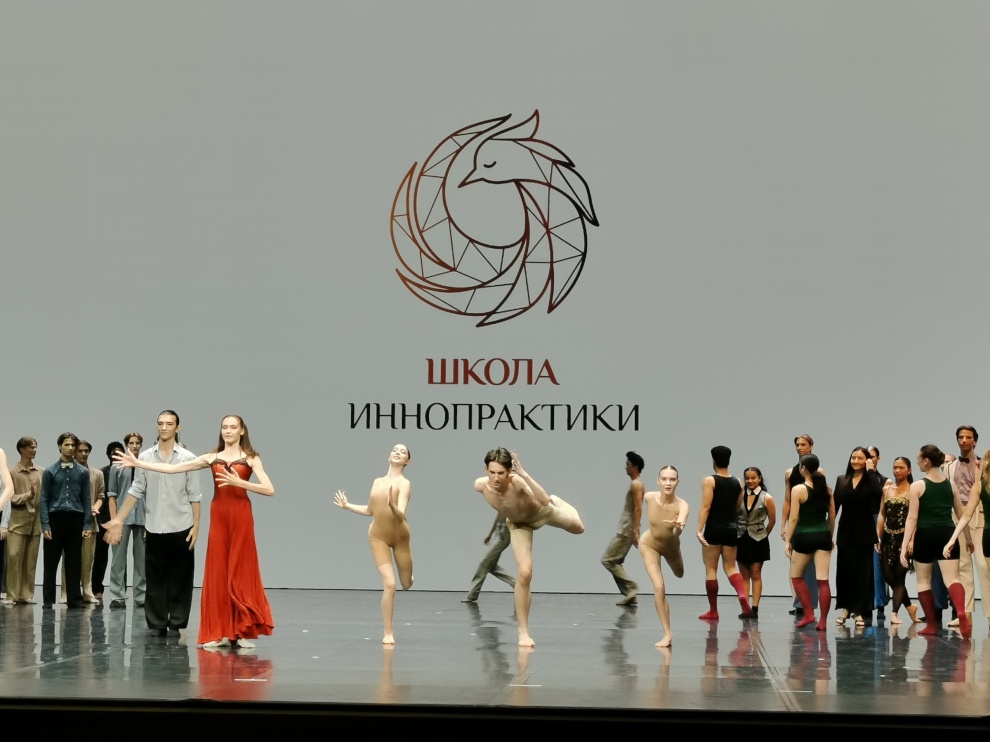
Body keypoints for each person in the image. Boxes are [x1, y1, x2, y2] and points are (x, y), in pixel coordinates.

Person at [113, 414, 274, 648]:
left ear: (242, 431)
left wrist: (241, 483)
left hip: (241, 515)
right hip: (219, 514)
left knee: (240, 569)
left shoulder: (251, 458)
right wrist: (139, 464)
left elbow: (269, 489)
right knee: (218, 571)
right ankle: (220, 632)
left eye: (233, 427)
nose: (228, 431)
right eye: (225, 427)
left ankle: (242, 631)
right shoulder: (211, 457)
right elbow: (172, 469)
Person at [471, 448, 585, 647]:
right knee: (525, 573)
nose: (496, 478)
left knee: (579, 528)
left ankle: (561, 502)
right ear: (485, 469)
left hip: (542, 513)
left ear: (509, 472)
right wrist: (491, 532)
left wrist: (524, 474)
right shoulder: (481, 486)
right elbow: (503, 509)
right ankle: (523, 632)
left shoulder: (516, 481)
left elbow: (543, 500)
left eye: (501, 473)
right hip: (518, 525)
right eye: (492, 472)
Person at [104, 411, 202, 636]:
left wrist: (197, 526)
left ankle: (176, 622)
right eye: (160, 423)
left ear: (178, 428)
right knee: (155, 576)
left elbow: (195, 495)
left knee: (181, 577)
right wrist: (118, 519)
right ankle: (157, 623)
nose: (164, 427)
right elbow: (136, 489)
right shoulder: (146, 457)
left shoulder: (188, 457)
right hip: (155, 524)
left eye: (169, 424)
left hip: (182, 524)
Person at [334, 444, 413, 644]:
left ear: (407, 461)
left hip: (400, 537)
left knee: (405, 584)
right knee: (390, 585)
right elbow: (370, 511)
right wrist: (347, 506)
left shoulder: (404, 483)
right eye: (395, 450)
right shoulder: (377, 482)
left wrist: (392, 505)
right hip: (378, 536)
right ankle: (388, 632)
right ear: (389, 456)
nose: (398, 452)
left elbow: (401, 515)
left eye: (403, 452)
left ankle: (409, 577)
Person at [899, 444, 970, 638]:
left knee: (923, 581)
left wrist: (904, 546)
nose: (917, 463)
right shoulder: (950, 484)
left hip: (925, 535)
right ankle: (961, 611)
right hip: (947, 533)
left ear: (926, 461)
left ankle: (931, 624)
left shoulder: (917, 486)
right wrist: (968, 539)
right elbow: (960, 514)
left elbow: (912, 518)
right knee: (953, 578)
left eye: (918, 459)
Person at [696, 445, 753, 620]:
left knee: (711, 570)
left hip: (714, 529)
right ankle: (742, 595)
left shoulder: (709, 481)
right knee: (730, 567)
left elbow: (706, 506)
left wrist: (699, 529)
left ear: (713, 461)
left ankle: (713, 610)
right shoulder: (738, 482)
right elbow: (738, 506)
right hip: (731, 529)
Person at [942, 426, 989, 630]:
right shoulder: (949, 467)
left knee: (983, 566)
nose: (964, 440)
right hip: (957, 514)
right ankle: (966, 614)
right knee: (962, 567)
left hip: (978, 514)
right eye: (960, 437)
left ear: (975, 441)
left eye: (968, 437)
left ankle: (989, 614)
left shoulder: (982, 465)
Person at [39, 433, 93, 609]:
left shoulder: (83, 472)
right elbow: (44, 499)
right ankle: (48, 600)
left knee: (74, 561)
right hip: (55, 518)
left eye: (73, 445)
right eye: (67, 444)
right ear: (59, 446)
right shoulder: (50, 471)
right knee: (50, 561)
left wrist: (87, 523)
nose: (70, 448)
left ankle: (74, 599)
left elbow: (86, 499)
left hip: (75, 518)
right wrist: (45, 524)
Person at [783, 453, 834, 631]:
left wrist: (788, 540)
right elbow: (832, 515)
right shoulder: (827, 490)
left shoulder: (798, 489)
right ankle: (823, 621)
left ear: (803, 469)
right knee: (823, 580)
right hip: (823, 535)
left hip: (804, 536)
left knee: (796, 576)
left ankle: (808, 613)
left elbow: (794, 518)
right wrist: (830, 536)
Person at [639, 465, 689, 648]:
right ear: (658, 481)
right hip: (649, 544)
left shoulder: (682, 505)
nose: (668, 483)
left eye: (672, 479)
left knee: (679, 573)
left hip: (671, 548)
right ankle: (667, 633)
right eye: (664, 479)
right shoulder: (649, 497)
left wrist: (678, 526)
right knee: (659, 586)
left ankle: (667, 633)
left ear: (678, 482)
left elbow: (679, 527)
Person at [833, 447, 882, 627]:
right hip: (845, 531)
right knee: (845, 571)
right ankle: (846, 608)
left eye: (859, 458)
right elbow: (834, 507)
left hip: (864, 532)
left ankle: (859, 611)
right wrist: (829, 532)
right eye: (853, 457)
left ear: (866, 460)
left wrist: (870, 471)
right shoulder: (842, 480)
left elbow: (877, 496)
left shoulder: (871, 480)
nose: (855, 461)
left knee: (863, 573)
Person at [106, 433, 146, 610]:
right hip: (122, 518)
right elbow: (112, 496)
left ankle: (141, 596)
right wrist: (114, 521)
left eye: (138, 443)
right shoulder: (117, 467)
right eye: (132, 443)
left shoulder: (145, 466)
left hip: (142, 517)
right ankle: (117, 595)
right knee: (118, 559)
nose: (135, 446)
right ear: (126, 445)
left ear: (141, 445)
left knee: (141, 560)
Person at [61, 439, 104, 604]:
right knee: (69, 559)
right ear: (74, 452)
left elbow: (101, 496)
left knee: (87, 559)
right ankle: (65, 592)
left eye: (86, 451)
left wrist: (95, 507)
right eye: (80, 451)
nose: (83, 453)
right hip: (71, 520)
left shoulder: (97, 474)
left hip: (89, 520)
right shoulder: (66, 472)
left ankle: (87, 591)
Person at [876, 456, 918, 625]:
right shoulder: (886, 489)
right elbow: (882, 515)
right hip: (888, 537)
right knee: (887, 575)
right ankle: (909, 606)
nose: (897, 470)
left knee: (899, 577)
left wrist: (911, 540)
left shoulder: (913, 490)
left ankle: (894, 613)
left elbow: (915, 518)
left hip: (904, 538)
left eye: (901, 467)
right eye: (895, 467)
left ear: (909, 470)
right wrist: (878, 538)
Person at [783, 435, 822, 616]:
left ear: (811, 446)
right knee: (795, 563)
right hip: (796, 521)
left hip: (811, 522)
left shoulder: (819, 473)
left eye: (803, 444)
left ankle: (809, 604)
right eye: (797, 445)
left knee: (811, 565)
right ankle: (800, 602)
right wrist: (783, 524)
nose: (799, 447)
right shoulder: (790, 473)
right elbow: (787, 500)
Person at [601, 451, 645, 606]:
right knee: (615, 561)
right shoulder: (636, 484)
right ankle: (629, 594)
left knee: (608, 560)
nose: (626, 467)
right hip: (627, 528)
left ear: (635, 467)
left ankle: (631, 588)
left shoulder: (636, 484)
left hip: (626, 529)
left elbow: (638, 509)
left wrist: (635, 531)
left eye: (628, 464)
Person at [736, 466, 775, 618]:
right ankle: (745, 607)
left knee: (756, 573)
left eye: (753, 478)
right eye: (747, 478)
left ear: (759, 479)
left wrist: (763, 535)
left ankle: (755, 607)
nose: (750, 481)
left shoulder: (766, 497)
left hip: (758, 539)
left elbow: (772, 520)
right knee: (744, 575)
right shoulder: (739, 496)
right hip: (741, 537)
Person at [3, 438, 39, 605]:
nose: (34, 450)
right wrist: (29, 495)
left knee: (30, 561)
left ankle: (26, 594)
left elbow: (43, 498)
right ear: (22, 449)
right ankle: (12, 595)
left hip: (35, 522)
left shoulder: (40, 472)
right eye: (31, 447)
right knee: (14, 558)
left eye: (35, 447)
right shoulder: (12, 472)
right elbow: (11, 498)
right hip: (17, 522)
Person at [92, 441, 124, 601]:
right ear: (108, 455)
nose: (116, 456)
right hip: (104, 520)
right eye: (113, 453)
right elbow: (100, 495)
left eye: (119, 452)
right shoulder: (102, 473)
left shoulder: (128, 472)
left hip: (122, 519)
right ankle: (97, 588)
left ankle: (121, 590)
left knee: (120, 557)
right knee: (100, 556)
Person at [462, 514, 515, 603]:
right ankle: (517, 585)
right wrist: (490, 534)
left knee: (484, 563)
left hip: (504, 532)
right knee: (491, 566)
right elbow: (498, 516)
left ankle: (472, 595)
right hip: (499, 530)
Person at [867, 446, 891, 623]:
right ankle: (864, 603)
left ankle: (880, 602)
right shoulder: (857, 479)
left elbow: (882, 504)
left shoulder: (884, 481)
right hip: (861, 522)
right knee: (862, 566)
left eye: (872, 456)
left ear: (878, 458)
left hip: (878, 521)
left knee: (877, 565)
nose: (869, 459)